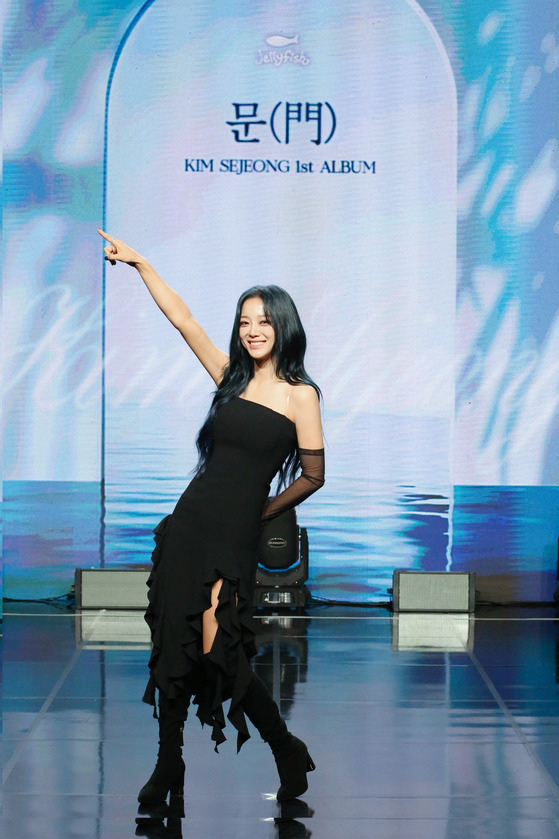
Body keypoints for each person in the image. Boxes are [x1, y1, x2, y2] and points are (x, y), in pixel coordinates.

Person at [97, 229, 325, 805]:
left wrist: (263, 511)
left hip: (233, 535)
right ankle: (168, 764)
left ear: (283, 327)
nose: (252, 330)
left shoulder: (302, 396)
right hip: (190, 522)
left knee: (217, 648)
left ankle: (285, 748)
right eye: (245, 320)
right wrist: (142, 263)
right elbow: (185, 321)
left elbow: (315, 475)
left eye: (263, 321)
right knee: (173, 641)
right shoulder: (231, 378)